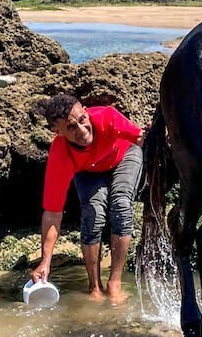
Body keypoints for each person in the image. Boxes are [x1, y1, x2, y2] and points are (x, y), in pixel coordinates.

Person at [31, 94, 144, 301]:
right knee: (93, 212)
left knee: (120, 202)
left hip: (124, 155)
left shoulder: (105, 117)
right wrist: (45, 261)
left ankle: (115, 282)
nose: (82, 131)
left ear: (85, 110)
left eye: (82, 120)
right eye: (72, 128)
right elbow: (52, 213)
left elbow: (140, 138)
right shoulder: (60, 154)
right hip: (88, 170)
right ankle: (94, 286)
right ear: (58, 132)